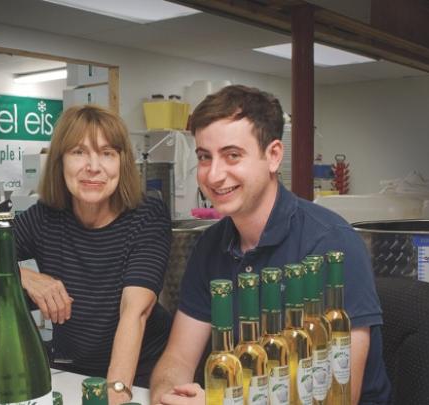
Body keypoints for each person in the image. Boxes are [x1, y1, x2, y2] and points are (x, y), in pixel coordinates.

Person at [150, 85, 391, 405]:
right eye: (204, 157)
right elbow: (178, 358)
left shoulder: (332, 245)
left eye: (232, 155)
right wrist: (167, 394)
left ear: (274, 155)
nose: (214, 174)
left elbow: (338, 394)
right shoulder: (210, 245)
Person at [14, 105, 172, 404]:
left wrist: (114, 395)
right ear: (60, 161)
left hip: (140, 377)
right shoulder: (43, 218)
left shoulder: (147, 216)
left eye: (107, 153)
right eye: (78, 152)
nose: (93, 166)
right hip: (70, 374)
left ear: (122, 163)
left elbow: (134, 312)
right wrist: (24, 276)